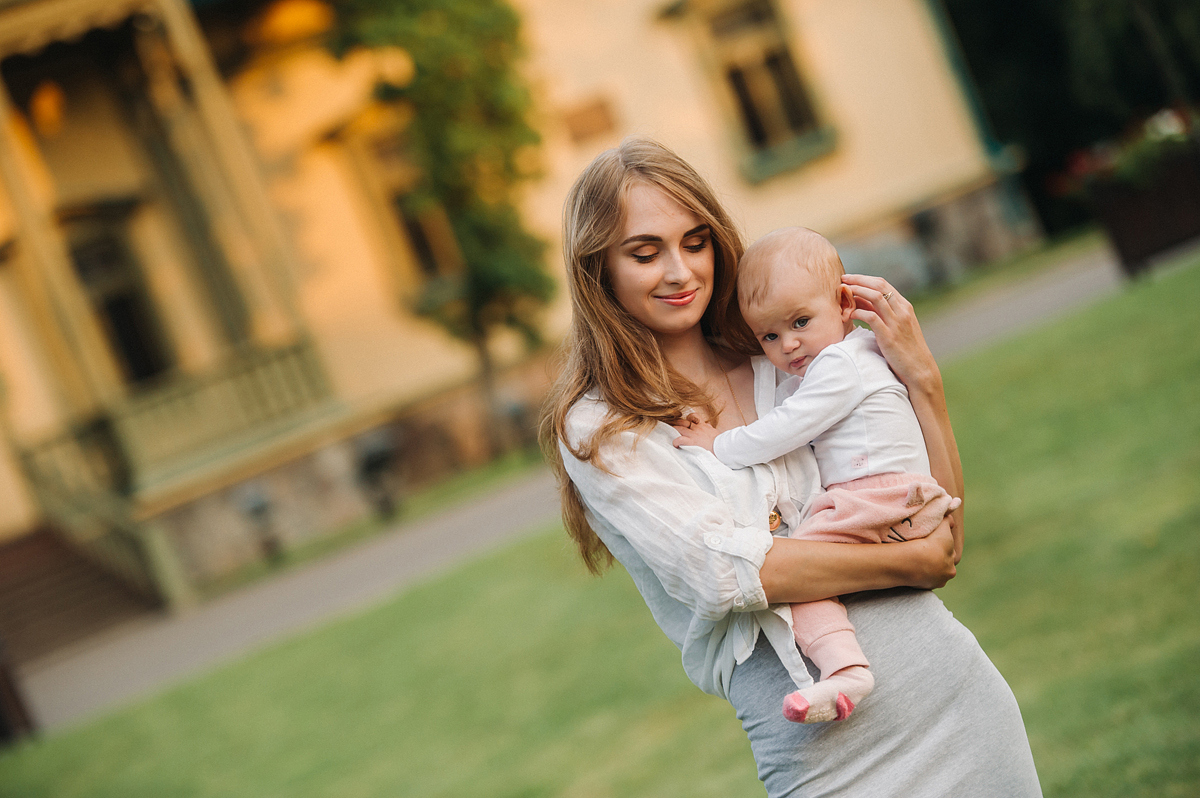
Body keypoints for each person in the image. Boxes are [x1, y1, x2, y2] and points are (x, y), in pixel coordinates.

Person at [540, 137, 1041, 797]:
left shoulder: (785, 356)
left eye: (695, 242)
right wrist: (906, 563)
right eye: (644, 252)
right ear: (596, 268)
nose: (679, 271)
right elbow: (728, 574)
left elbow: (935, 526)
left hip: (961, 708)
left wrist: (924, 386)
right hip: (827, 762)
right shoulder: (600, 426)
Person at [671, 226, 962, 725]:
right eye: (770, 336)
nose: (789, 345)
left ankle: (845, 669)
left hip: (873, 498)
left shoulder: (839, 366)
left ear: (845, 302)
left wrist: (716, 445)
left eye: (801, 321)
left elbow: (783, 429)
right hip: (904, 497)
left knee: (801, 578)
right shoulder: (860, 356)